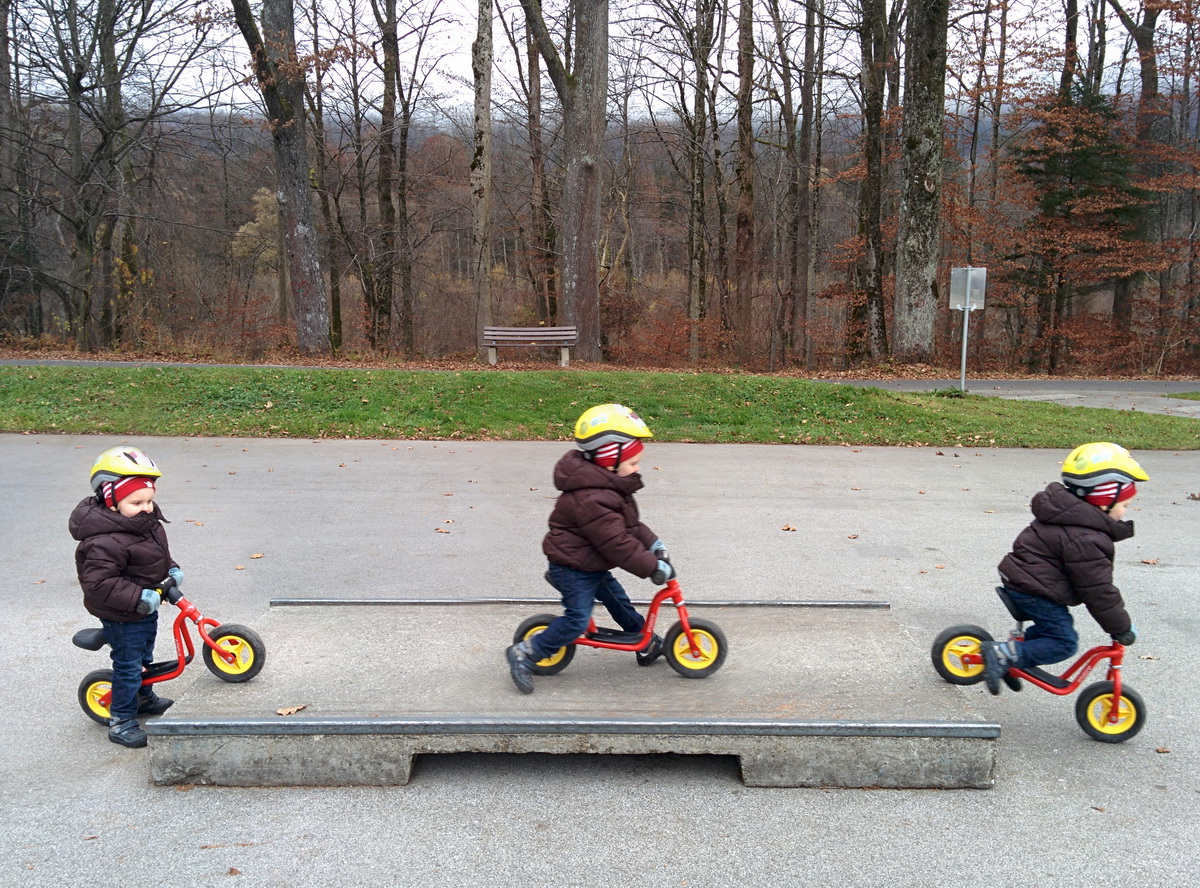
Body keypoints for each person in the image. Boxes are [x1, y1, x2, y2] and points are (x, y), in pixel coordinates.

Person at [505, 404, 674, 694]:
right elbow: (616, 543)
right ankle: (526, 651)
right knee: (577, 620)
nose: (637, 469)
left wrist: (653, 543)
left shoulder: (608, 487)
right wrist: (651, 567)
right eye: (633, 463)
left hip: (590, 564)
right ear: (610, 459)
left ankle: (645, 642)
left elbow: (630, 526)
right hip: (572, 568)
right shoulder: (592, 498)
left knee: (619, 603)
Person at [983, 442, 1147, 695]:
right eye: (1124, 505)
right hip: (1032, 588)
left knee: (1052, 629)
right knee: (1063, 642)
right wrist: (1120, 627)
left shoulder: (1071, 516)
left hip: (1027, 579)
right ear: (1104, 499)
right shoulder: (1086, 538)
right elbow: (1098, 591)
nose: (1126, 512)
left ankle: (1012, 656)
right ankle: (1003, 655)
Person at [70, 447, 184, 747]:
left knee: (144, 655)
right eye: (137, 502)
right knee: (129, 664)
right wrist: (138, 597)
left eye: (149, 500)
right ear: (111, 501)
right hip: (121, 613)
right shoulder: (104, 541)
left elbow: (156, 559)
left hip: (145, 607)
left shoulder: (145, 525)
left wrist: (172, 570)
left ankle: (143, 697)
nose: (147, 507)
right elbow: (98, 583)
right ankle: (120, 719)